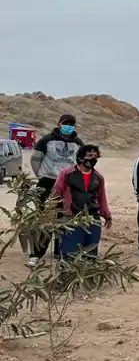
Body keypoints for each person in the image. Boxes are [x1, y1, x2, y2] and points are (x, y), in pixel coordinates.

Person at [27, 114, 85, 266]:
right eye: (66, 124)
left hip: (69, 185)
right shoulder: (47, 140)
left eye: (71, 124)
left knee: (65, 218)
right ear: (59, 124)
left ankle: (61, 250)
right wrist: (41, 176)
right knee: (45, 219)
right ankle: (36, 254)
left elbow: (83, 163)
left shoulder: (78, 143)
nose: (68, 127)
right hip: (48, 183)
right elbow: (35, 159)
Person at [53, 144, 111, 259]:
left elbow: (101, 198)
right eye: (89, 156)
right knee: (70, 253)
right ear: (80, 158)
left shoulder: (98, 177)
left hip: (92, 219)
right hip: (72, 218)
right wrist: (53, 213)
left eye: (95, 156)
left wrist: (106, 215)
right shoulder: (67, 174)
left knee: (90, 253)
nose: (93, 159)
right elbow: (56, 193)